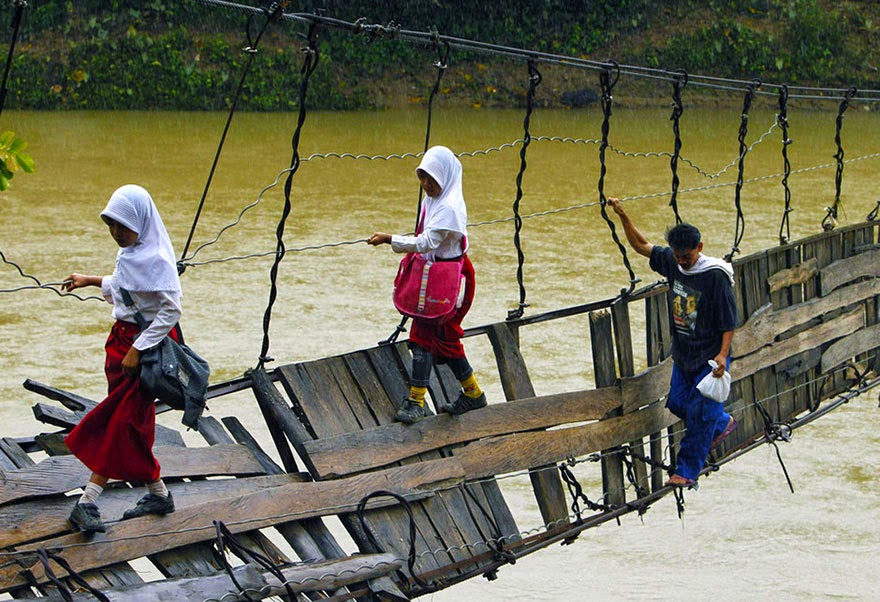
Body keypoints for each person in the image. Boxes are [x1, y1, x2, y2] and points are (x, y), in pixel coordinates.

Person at [61, 184, 181, 534]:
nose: (116, 233)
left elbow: (170, 310)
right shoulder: (134, 255)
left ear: (141, 224)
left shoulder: (157, 259)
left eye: (123, 227)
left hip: (142, 351)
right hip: (122, 345)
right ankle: (158, 493)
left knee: (120, 421)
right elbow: (129, 285)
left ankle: (88, 501)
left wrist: (137, 349)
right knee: (134, 423)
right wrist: (90, 280)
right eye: (111, 225)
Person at [609, 198, 739, 488]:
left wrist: (722, 356)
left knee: (701, 416)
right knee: (679, 404)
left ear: (700, 248)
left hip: (710, 357)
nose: (682, 261)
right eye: (678, 256)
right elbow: (642, 246)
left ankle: (687, 472)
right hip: (684, 354)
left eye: (687, 256)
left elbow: (729, 321)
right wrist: (623, 215)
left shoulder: (715, 276)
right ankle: (722, 423)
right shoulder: (675, 263)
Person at [368, 146, 486, 424]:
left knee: (422, 336)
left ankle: (416, 401)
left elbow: (425, 242)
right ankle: (473, 393)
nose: (426, 184)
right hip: (437, 278)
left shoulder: (449, 207)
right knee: (444, 337)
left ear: (446, 177)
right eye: (422, 177)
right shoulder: (433, 201)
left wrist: (389, 238)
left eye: (432, 179)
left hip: (450, 282)